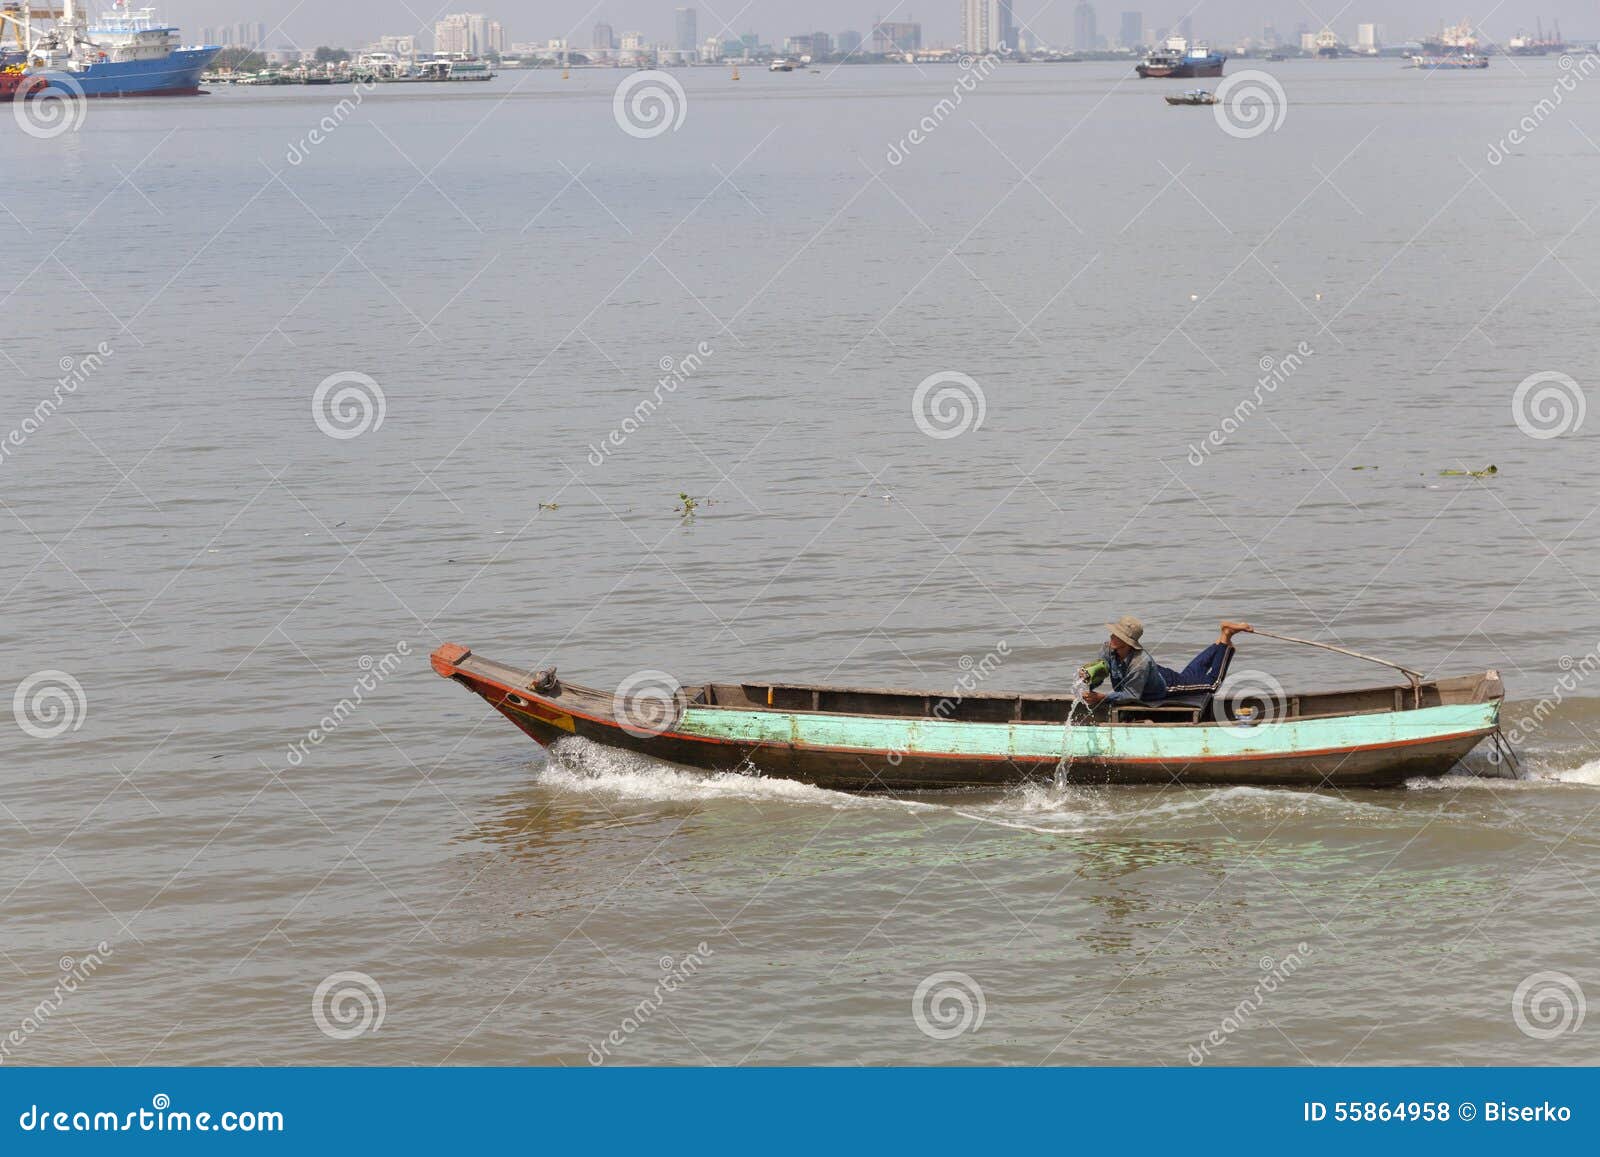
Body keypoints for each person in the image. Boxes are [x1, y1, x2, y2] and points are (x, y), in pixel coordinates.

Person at [1080, 617, 1253, 707]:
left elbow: (1131, 695)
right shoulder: (1108, 648)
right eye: (1113, 633)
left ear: (1127, 642)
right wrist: (1089, 676)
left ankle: (1225, 641)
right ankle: (1224, 636)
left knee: (1212, 684)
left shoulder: (1140, 662)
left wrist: (1103, 697)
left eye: (1116, 635)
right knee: (1191, 676)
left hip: (1165, 687)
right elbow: (1101, 672)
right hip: (1155, 675)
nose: (1111, 637)